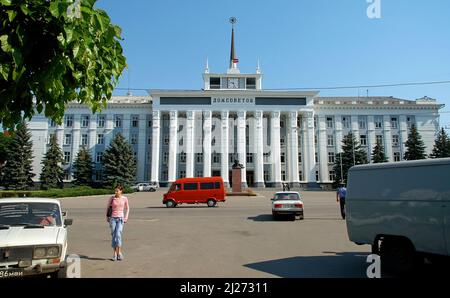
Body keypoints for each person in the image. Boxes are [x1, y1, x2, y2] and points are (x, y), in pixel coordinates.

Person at [106, 185, 129, 261]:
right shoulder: (112, 198)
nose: (115, 192)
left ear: (121, 191)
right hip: (112, 219)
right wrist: (107, 217)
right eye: (115, 190)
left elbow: (127, 208)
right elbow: (108, 207)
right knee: (113, 236)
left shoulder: (124, 198)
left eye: (117, 191)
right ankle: (115, 254)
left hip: (120, 219)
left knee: (118, 235)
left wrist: (126, 217)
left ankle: (119, 252)